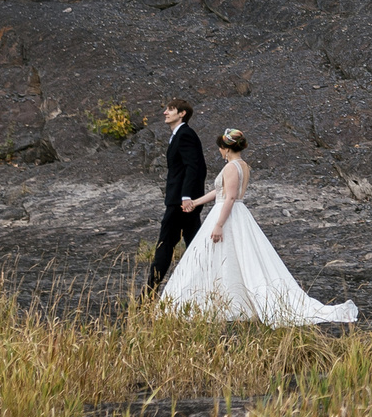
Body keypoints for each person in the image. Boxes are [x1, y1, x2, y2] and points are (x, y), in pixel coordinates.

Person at [159, 129, 361, 325]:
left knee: (221, 256)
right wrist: (196, 202)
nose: (220, 152)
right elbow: (219, 192)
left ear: (226, 148)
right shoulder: (243, 165)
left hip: (228, 215)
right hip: (236, 212)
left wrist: (219, 224)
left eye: (220, 148)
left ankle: (229, 302)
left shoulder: (231, 167)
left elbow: (229, 197)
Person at [149, 99, 207, 290]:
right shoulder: (179, 135)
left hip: (180, 203)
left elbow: (195, 167)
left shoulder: (185, 135)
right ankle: (206, 288)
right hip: (182, 200)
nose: (165, 112)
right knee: (196, 246)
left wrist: (186, 197)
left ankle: (147, 295)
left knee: (165, 246)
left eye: (170, 109)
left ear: (182, 113)